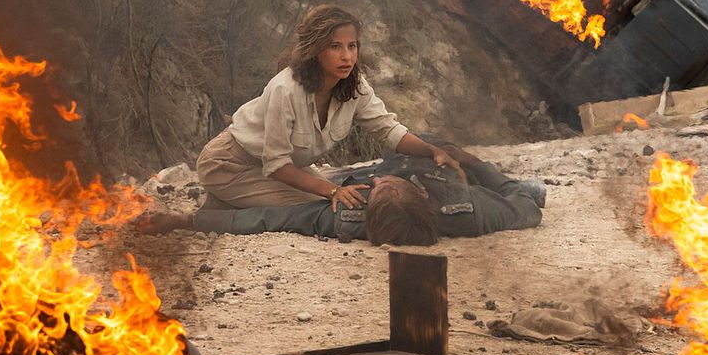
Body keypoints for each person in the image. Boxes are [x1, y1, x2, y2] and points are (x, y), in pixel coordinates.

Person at [195, 5, 462, 213]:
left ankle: (241, 201)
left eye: (352, 46)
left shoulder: (354, 85)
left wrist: (431, 150)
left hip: (282, 168)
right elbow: (276, 165)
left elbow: (388, 130)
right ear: (315, 50)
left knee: (347, 196)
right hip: (230, 165)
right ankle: (217, 209)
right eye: (335, 47)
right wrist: (331, 190)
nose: (347, 56)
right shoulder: (285, 89)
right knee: (321, 204)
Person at [143, 144, 545, 245]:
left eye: (377, 193)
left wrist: (188, 221)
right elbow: (525, 210)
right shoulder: (469, 211)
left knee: (277, 190)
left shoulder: (348, 217)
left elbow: (272, 220)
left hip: (364, 174)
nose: (376, 190)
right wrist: (473, 163)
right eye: (382, 190)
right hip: (443, 175)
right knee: (530, 194)